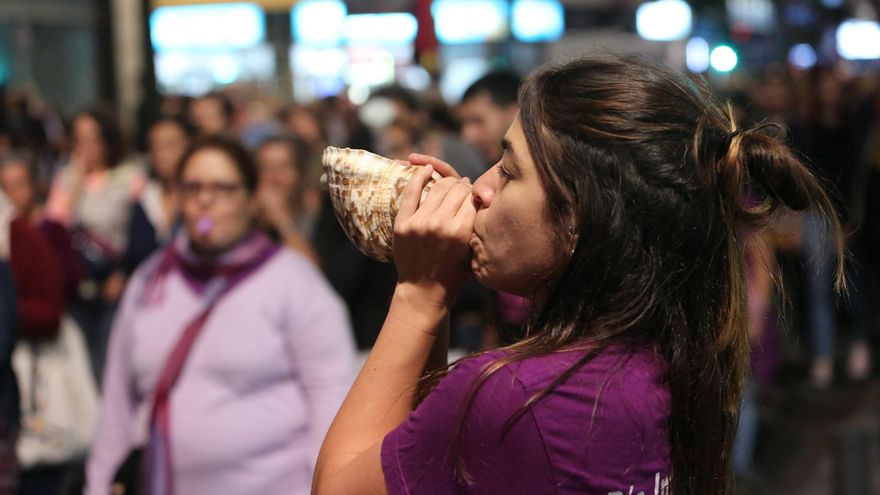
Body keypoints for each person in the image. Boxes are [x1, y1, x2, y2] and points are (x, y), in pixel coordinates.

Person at [312, 55, 846, 494]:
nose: (480, 187)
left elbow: (338, 488)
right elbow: (420, 453)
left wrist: (418, 294)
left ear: (579, 222)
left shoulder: (517, 397)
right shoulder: (670, 355)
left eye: (511, 170)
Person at [85, 136, 356, 495]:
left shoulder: (294, 283)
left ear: (252, 197)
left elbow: (331, 398)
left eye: (223, 188)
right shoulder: (150, 281)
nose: (205, 200)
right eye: (192, 188)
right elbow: (118, 402)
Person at [44, 107, 145, 383]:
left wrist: (124, 273)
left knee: (112, 365)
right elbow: (54, 228)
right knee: (84, 370)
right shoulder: (66, 178)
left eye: (93, 139)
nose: (85, 147)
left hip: (114, 285)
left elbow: (140, 236)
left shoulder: (129, 177)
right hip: (76, 287)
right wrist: (75, 182)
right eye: (78, 139)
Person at [254, 135, 320, 264]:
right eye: (265, 168)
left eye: (282, 168)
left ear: (299, 174)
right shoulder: (249, 217)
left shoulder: (316, 218)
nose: (273, 178)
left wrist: (282, 221)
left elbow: (312, 272)